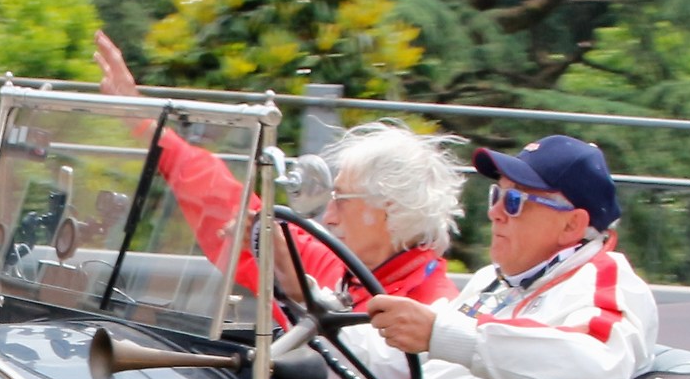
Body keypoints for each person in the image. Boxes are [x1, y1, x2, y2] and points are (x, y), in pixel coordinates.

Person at [92, 29, 461, 312]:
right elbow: (222, 199)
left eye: (342, 200)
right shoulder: (342, 267)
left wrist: (306, 296)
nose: (328, 218)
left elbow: (364, 378)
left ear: (389, 210)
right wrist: (142, 120)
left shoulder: (432, 314)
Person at [353, 135, 660, 379]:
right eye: (496, 195)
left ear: (571, 224)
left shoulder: (606, 280)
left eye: (514, 200)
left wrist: (444, 335)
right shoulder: (494, 280)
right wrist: (312, 304)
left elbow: (600, 365)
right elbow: (401, 364)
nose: (495, 212)